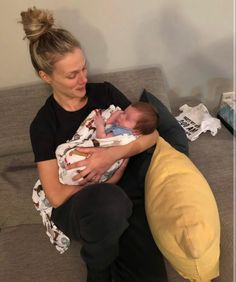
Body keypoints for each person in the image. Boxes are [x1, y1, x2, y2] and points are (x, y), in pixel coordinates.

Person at [20, 7, 168, 282]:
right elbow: (55, 195)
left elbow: (152, 135)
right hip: (78, 206)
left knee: (151, 274)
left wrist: (109, 156)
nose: (84, 79)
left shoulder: (105, 93)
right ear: (46, 77)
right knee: (108, 202)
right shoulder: (43, 124)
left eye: (84, 68)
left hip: (125, 197)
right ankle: (98, 270)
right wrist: (101, 185)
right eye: (72, 75)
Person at [56, 102, 159, 185]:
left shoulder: (123, 135)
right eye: (124, 112)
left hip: (99, 158)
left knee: (70, 155)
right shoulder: (125, 128)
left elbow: (103, 140)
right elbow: (109, 124)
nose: (121, 116)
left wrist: (99, 125)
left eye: (127, 118)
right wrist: (115, 116)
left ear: (137, 132)